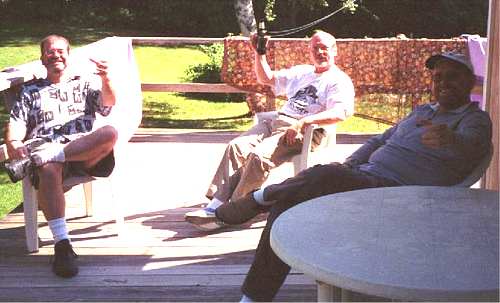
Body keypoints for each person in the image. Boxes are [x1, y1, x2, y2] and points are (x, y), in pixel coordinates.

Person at [188, 51, 493, 301]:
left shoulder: (473, 120)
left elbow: (473, 148)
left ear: (469, 81)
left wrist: (451, 140)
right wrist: (350, 165)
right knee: (288, 206)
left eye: (451, 76)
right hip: (366, 178)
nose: (442, 82)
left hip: (400, 193)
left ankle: (257, 198)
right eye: (437, 76)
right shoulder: (420, 112)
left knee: (321, 175)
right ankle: (253, 298)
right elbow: (379, 141)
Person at [185, 30, 355, 231]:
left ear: (335, 51)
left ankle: (233, 211)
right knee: (236, 147)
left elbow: (342, 112)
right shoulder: (302, 72)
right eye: (315, 48)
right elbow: (267, 78)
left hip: (305, 130)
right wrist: (259, 53)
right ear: (309, 51)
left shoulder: (338, 80)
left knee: (258, 157)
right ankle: (215, 206)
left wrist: (304, 123)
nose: (319, 52)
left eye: (324, 48)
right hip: (276, 121)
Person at [3, 35, 118, 278]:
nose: (55, 55)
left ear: (68, 55)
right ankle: (62, 244)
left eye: (60, 51)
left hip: (84, 152)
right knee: (48, 167)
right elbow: (16, 125)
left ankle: (54, 155)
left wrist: (106, 78)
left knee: (110, 132)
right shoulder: (29, 92)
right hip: (46, 154)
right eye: (50, 52)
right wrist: (13, 142)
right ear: (42, 58)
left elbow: (108, 105)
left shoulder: (84, 83)